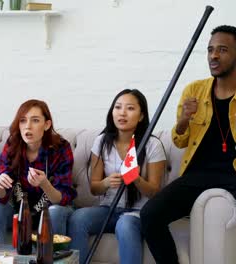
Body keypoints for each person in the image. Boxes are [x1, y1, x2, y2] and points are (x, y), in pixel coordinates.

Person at [141, 25, 236, 264]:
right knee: (150, 215)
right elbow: (179, 139)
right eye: (210, 50)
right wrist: (183, 119)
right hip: (199, 173)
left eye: (222, 50)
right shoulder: (195, 90)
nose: (214, 56)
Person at [67, 89, 166, 264]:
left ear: (141, 116)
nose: (122, 113)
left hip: (138, 212)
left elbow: (155, 193)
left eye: (130, 108)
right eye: (118, 107)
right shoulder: (102, 141)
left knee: (125, 225)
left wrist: (136, 179)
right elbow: (94, 188)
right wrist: (105, 183)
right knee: (78, 218)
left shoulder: (152, 145)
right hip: (108, 210)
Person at [0, 99, 77, 244]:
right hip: (19, 209)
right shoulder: (13, 144)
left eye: (35, 121)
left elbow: (62, 199)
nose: (28, 126)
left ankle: (50, 258)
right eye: (22, 121)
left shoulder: (60, 147)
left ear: (46, 124)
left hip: (51, 209)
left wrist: (45, 184)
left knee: (56, 212)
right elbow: (1, 197)